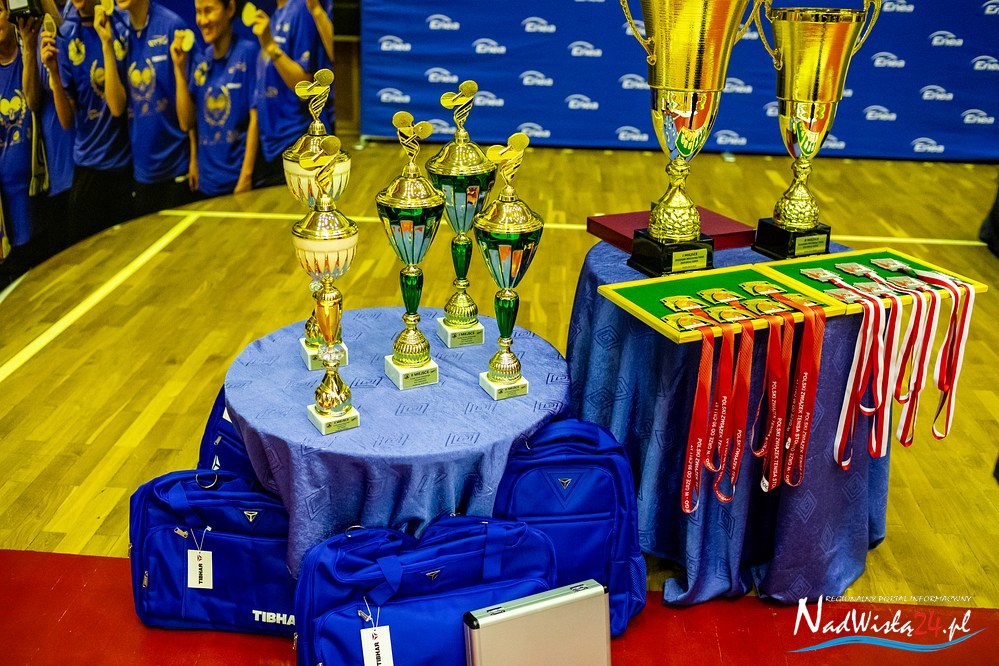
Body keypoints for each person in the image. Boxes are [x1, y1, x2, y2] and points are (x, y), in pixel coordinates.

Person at [42, 0, 131, 246]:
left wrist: (106, 44)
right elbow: (66, 121)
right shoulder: (66, 36)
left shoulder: (122, 26)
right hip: (87, 169)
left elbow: (117, 108)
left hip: (123, 166)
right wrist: (54, 73)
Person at [103, 0, 193, 217]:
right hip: (142, 173)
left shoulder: (172, 26)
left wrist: (195, 161)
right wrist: (106, 44)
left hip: (176, 168)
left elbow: (191, 109)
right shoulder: (117, 31)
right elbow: (116, 108)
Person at [172, 0, 258, 197]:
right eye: (198, 12)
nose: (203, 20)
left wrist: (246, 176)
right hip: (206, 183)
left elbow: (256, 120)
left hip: (237, 183)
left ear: (230, 9)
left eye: (209, 11)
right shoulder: (202, 60)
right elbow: (187, 123)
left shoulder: (249, 53)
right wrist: (179, 69)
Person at [247, 0, 329, 187]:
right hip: (272, 149)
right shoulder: (275, 16)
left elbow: (305, 87)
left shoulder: (302, 9)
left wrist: (271, 48)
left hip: (297, 142)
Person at [21, 0, 76, 258]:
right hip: (56, 175)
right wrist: (28, 48)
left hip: (84, 166)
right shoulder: (37, 33)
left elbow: (70, 43)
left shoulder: (79, 12)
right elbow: (32, 101)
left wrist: (47, 9)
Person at [0, 0, 38, 282]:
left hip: (39, 198)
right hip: (6, 214)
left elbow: (34, 100)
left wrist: (28, 46)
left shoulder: (30, 54)